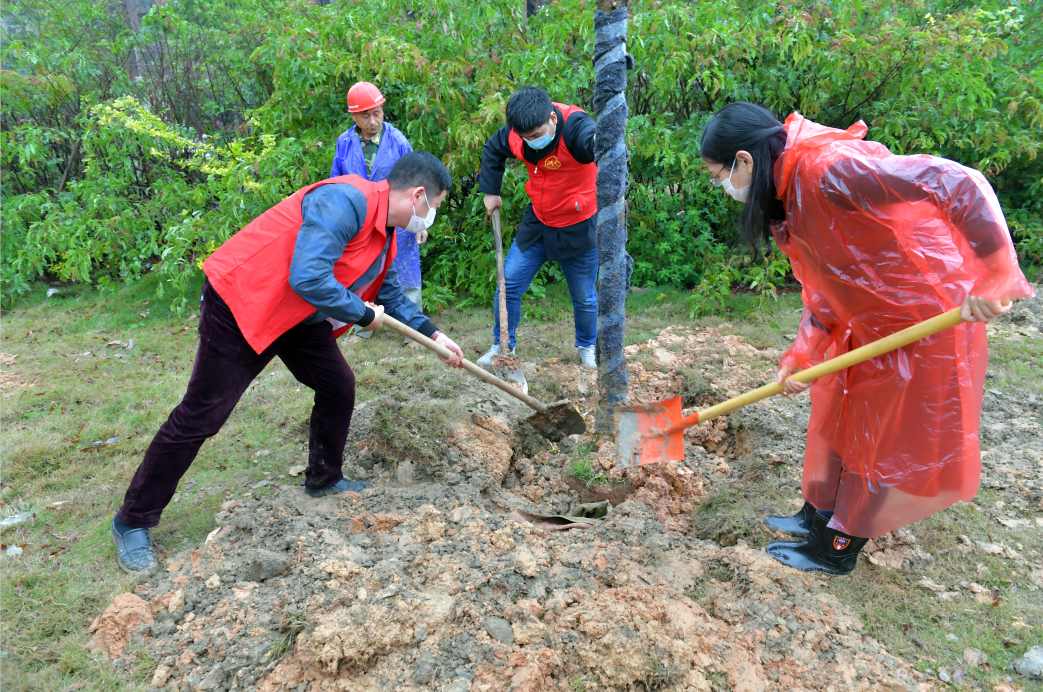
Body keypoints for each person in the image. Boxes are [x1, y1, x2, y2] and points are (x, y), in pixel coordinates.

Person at [700, 102, 1034, 576]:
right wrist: (803, 352)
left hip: (919, 322)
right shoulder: (790, 195)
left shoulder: (831, 170)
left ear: (745, 161)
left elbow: (958, 182)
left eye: (719, 175)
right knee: (834, 418)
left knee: (879, 440)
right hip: (867, 322)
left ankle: (837, 546)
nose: (722, 187)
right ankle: (817, 515)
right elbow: (825, 285)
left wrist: (996, 273)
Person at [110, 151, 465, 574]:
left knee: (338, 385)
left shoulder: (385, 233)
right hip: (245, 303)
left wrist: (435, 337)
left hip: (298, 313)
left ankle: (324, 478)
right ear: (418, 194)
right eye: (435, 208)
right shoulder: (346, 201)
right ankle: (132, 521)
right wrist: (363, 314)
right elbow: (309, 276)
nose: (431, 218)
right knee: (202, 414)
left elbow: (387, 291)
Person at [477, 86, 599, 370]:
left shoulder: (577, 130)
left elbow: (599, 144)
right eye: (525, 137)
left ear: (553, 119)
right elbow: (493, 149)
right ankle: (502, 345)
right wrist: (490, 191)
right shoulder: (517, 133)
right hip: (539, 220)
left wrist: (601, 144)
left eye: (536, 135)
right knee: (508, 283)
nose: (531, 141)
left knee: (584, 295)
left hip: (577, 223)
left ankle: (587, 346)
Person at [331, 81, 424, 338]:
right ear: (354, 116)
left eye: (377, 113)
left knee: (405, 272)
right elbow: (336, 184)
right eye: (365, 115)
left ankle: (414, 335)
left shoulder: (397, 141)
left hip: (396, 221)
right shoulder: (345, 143)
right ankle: (363, 328)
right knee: (362, 272)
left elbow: (417, 185)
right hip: (360, 223)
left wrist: (420, 223)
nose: (373, 121)